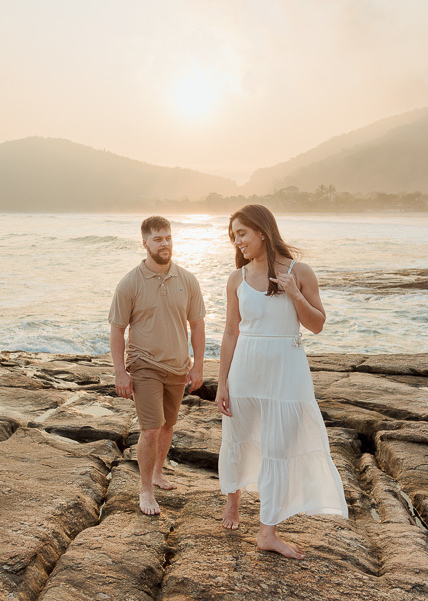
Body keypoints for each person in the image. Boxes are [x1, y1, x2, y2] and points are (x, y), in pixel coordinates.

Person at [216, 204, 348, 559]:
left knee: (279, 448)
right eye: (234, 235)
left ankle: (267, 532)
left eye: (241, 233)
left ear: (262, 231)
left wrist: (295, 293)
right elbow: (230, 332)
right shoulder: (237, 278)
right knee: (238, 438)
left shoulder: (299, 271)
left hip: (286, 372)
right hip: (245, 368)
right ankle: (233, 504)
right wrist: (221, 382)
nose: (237, 241)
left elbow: (317, 324)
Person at [109, 216, 206, 516]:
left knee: (167, 426)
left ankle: (157, 473)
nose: (164, 244)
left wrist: (198, 366)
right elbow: (117, 330)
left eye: (168, 238)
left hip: (178, 366)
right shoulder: (130, 283)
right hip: (144, 364)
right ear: (145, 243)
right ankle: (146, 491)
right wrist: (120, 373)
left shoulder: (187, 279)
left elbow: (198, 325)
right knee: (150, 429)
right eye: (158, 239)